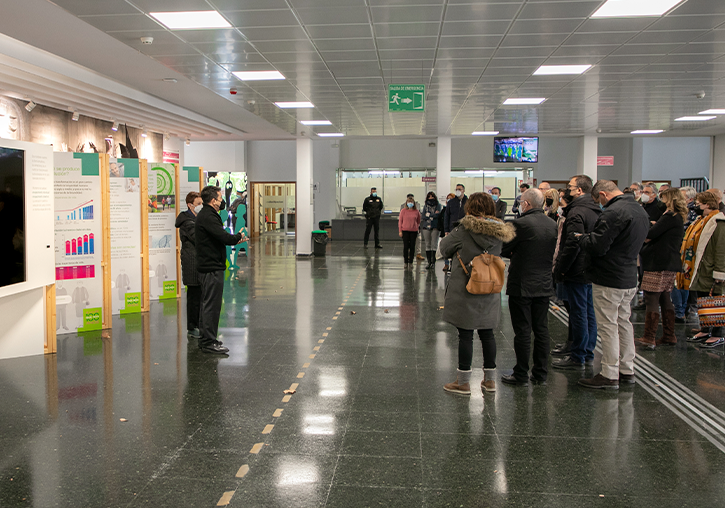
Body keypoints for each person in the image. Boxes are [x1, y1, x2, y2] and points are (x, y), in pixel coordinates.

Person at [439, 192, 515, 394]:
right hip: (490, 286)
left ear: (469, 208)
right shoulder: (500, 231)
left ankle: (463, 382)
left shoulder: (464, 229)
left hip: (467, 286)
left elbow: (444, 248)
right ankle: (490, 381)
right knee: (487, 333)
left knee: (465, 334)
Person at [576, 180, 649, 389]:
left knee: (608, 326)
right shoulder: (639, 210)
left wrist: (583, 239)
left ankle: (609, 373)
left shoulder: (613, 212)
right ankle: (627, 369)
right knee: (624, 323)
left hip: (609, 277)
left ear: (603, 195)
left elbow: (598, 246)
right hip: (629, 276)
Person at [500, 189, 558, 386]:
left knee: (523, 330)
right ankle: (541, 373)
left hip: (522, 283)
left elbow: (504, 249)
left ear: (526, 204)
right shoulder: (552, 224)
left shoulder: (519, 223)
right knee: (541, 329)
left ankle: (521, 373)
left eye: (521, 202)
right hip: (544, 282)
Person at [551, 175, 601, 369]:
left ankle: (578, 355)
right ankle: (587, 350)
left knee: (579, 312)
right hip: (588, 267)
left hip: (576, 268)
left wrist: (560, 270)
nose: (566, 192)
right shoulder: (595, 209)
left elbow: (572, 243)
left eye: (570, 188)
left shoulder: (577, 211)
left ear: (580, 190)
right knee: (588, 312)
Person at [195, 185, 244, 354]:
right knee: (211, 305)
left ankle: (205, 338)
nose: (222, 201)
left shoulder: (207, 215)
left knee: (208, 304)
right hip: (211, 267)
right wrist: (238, 237)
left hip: (209, 266)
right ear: (213, 200)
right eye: (220, 197)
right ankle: (209, 342)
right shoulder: (208, 216)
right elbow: (223, 237)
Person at [634, 188, 686, 349]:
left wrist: (650, 227)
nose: (660, 202)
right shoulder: (677, 217)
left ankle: (649, 336)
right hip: (669, 262)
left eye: (663, 199)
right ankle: (669, 335)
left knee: (651, 298)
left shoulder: (669, 217)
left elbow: (650, 234)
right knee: (664, 297)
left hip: (658, 262)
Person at [684, 191, 725, 345]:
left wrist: (720, 273)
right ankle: (705, 330)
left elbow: (721, 248)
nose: (696, 206)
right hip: (702, 267)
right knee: (704, 299)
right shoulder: (703, 220)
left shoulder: (719, 221)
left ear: (707, 204)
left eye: (699, 203)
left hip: (711, 269)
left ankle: (717, 333)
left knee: (715, 301)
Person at [176, 192, 203, 340]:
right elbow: (197, 237)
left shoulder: (197, 219)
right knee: (193, 296)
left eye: (201, 203)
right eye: (198, 204)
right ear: (190, 205)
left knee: (199, 295)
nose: (201, 206)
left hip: (198, 261)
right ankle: (192, 327)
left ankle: (199, 324)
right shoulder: (187, 222)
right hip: (191, 262)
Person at [420, 191, 442, 269]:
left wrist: (429, 215)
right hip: (426, 227)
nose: (431, 198)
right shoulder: (425, 206)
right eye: (429, 196)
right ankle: (429, 262)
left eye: (432, 196)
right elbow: (423, 216)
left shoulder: (438, 205)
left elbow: (438, 215)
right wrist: (432, 216)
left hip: (435, 227)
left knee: (434, 244)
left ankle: (433, 262)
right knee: (428, 244)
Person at [398, 196, 421, 269]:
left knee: (412, 247)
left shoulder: (416, 211)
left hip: (413, 231)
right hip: (405, 230)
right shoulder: (403, 211)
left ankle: (411, 262)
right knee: (406, 247)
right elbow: (400, 221)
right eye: (408, 202)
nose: (410, 203)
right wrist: (400, 231)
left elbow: (418, 221)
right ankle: (405, 262)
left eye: (411, 202)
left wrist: (416, 227)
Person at [440, 193, 454, 272]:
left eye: (451, 198)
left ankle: (452, 264)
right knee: (446, 248)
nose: (449, 200)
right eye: (448, 198)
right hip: (446, 231)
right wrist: (445, 230)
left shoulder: (455, 209)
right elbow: (443, 220)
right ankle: (446, 264)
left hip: (453, 231)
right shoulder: (444, 210)